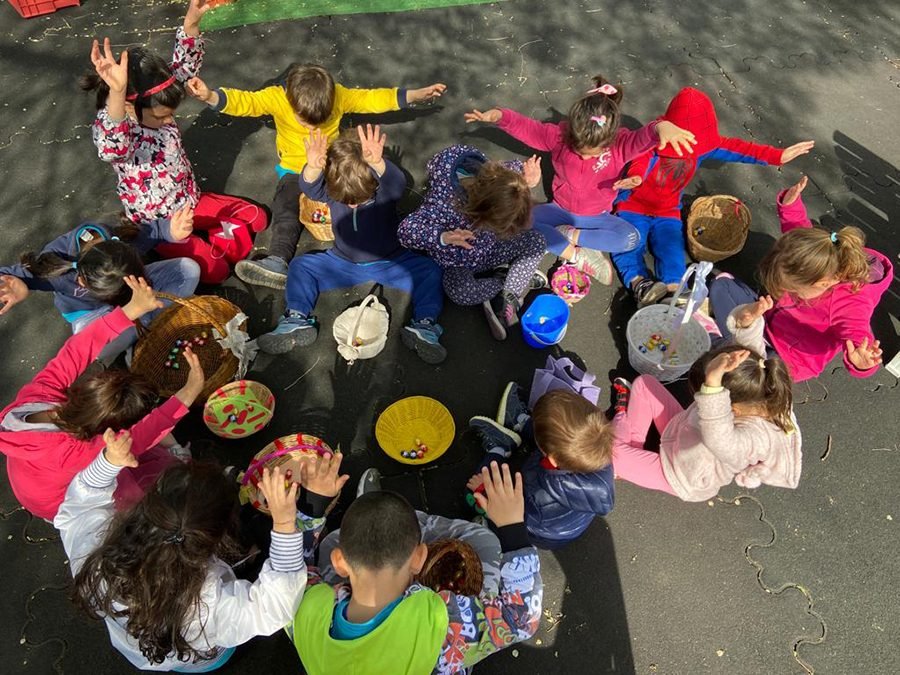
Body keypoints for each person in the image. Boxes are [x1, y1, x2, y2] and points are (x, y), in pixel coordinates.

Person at [57, 441, 343, 671]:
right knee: (220, 650)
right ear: (218, 540)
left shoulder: (96, 556)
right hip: (203, 653)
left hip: (148, 650)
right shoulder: (206, 608)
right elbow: (274, 606)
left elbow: (77, 508)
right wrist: (284, 524)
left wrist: (108, 462)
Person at [188, 66, 446, 289]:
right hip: (296, 167)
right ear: (291, 101)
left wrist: (414, 95)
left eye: (319, 122)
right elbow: (246, 103)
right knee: (286, 205)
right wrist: (210, 96)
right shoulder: (277, 98)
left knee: (365, 195)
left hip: (334, 164)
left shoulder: (338, 95)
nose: (312, 127)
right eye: (305, 121)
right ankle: (278, 260)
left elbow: (372, 99)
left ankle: (380, 241)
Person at [289, 462, 542, 675]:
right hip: (438, 661)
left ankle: (375, 513)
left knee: (333, 537)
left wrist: (313, 506)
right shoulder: (441, 625)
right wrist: (512, 528)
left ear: (340, 562)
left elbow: (292, 571)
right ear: (421, 557)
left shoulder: (306, 610)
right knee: (483, 540)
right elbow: (520, 618)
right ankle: (410, 520)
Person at [82, 0, 269, 284]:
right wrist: (117, 93)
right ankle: (205, 245)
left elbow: (183, 69)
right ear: (132, 106)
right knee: (216, 272)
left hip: (190, 200)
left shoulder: (155, 99)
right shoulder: (123, 129)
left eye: (171, 115)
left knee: (258, 217)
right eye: (162, 116)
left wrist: (191, 23)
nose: (170, 121)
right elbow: (111, 145)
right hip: (160, 223)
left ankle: (219, 241)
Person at [0, 277, 203, 521]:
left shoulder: (37, 398)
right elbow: (146, 433)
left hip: (35, 475)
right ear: (110, 433)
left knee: (141, 449)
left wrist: (132, 310)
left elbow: (77, 349)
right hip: (60, 503)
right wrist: (190, 390)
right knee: (138, 489)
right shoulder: (80, 452)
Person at [464, 75, 697, 284]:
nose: (584, 156)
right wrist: (499, 116)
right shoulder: (559, 137)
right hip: (560, 209)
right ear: (571, 133)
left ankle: (567, 237)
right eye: (579, 149)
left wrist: (662, 127)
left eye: (592, 153)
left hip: (598, 216)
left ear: (610, 140)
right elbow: (529, 127)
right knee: (516, 221)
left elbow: (644, 136)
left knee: (630, 239)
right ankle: (578, 254)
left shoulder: (620, 145)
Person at [257, 125, 447, 363]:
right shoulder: (334, 188)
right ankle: (296, 317)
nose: (353, 205)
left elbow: (397, 183)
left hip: (390, 259)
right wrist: (314, 167)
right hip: (342, 261)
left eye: (360, 199)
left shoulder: (383, 192)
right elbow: (310, 188)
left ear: (374, 183)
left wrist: (378, 163)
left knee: (430, 270)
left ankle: (424, 325)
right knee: (300, 266)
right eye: (345, 201)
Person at [611, 87, 815, 306]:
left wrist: (777, 156)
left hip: (667, 211)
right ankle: (639, 282)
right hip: (632, 206)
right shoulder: (653, 140)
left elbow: (740, 149)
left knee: (672, 250)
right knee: (627, 243)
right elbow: (639, 159)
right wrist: (636, 177)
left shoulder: (703, 145)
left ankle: (674, 288)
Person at [708, 176, 892, 380]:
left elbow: (858, 332)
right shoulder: (822, 254)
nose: (785, 292)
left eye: (791, 289)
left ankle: (728, 342)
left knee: (752, 375)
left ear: (823, 283)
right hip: (769, 322)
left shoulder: (850, 305)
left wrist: (862, 361)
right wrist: (790, 205)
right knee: (721, 285)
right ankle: (736, 338)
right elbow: (797, 230)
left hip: (787, 358)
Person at [0, 210, 200, 362]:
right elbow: (14, 274)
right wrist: (16, 284)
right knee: (93, 352)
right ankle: (141, 324)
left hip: (132, 293)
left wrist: (170, 230)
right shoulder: (56, 268)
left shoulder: (121, 244)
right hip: (89, 312)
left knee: (188, 269)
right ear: (81, 278)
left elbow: (152, 231)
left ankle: (143, 323)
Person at [611, 345, 802, 501]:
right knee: (645, 384)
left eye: (706, 393)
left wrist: (712, 383)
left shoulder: (757, 439)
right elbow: (752, 363)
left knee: (610, 452)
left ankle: (622, 427)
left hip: (680, 474)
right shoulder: (756, 386)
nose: (699, 396)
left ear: (729, 408)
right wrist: (747, 324)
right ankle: (632, 451)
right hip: (680, 434)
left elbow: (719, 438)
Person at [397, 144, 547, 340]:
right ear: (477, 213)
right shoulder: (443, 203)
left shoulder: (499, 178)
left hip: (489, 249)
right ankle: (505, 280)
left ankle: (509, 291)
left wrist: (527, 182)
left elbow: (511, 175)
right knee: (460, 292)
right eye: (495, 225)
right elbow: (405, 231)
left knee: (536, 241)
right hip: (457, 263)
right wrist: (442, 236)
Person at [466, 383, 614, 549]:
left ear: (551, 460)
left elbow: (512, 515)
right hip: (564, 524)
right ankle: (520, 422)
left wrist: (484, 489)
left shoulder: (539, 494)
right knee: (558, 441)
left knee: (478, 489)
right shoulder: (597, 453)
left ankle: (499, 449)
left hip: (537, 531)